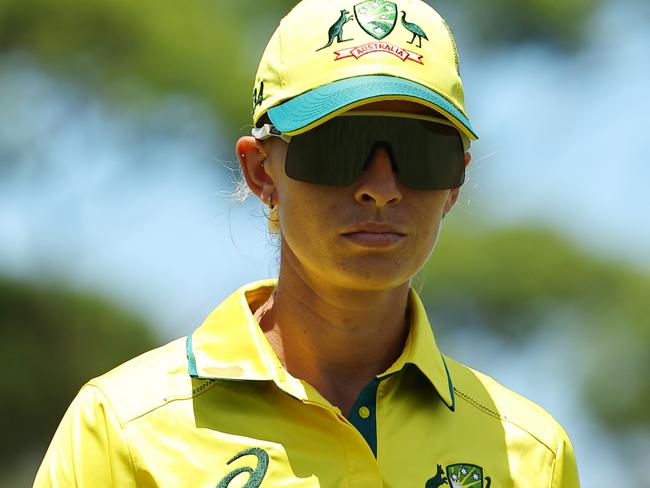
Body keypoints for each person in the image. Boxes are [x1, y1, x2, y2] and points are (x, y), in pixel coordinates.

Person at [35, 0, 581, 486]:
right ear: (261, 171)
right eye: (339, 145)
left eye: (422, 152)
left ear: (455, 182)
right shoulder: (123, 429)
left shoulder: (533, 457)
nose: (381, 189)